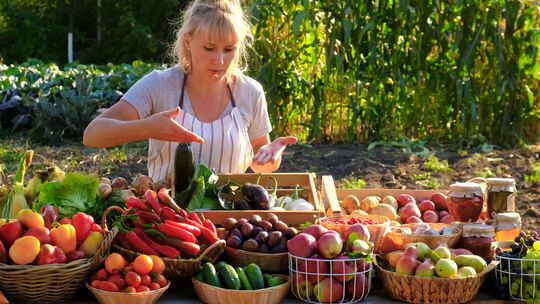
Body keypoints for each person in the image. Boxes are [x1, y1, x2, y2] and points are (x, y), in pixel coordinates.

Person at [83, 0, 297, 183]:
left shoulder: (250, 92)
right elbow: (93, 135)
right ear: (188, 42)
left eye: (229, 49)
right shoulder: (160, 84)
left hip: (228, 219)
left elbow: (261, 164)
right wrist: (147, 128)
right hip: (168, 217)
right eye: (209, 48)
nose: (220, 60)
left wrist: (270, 158)